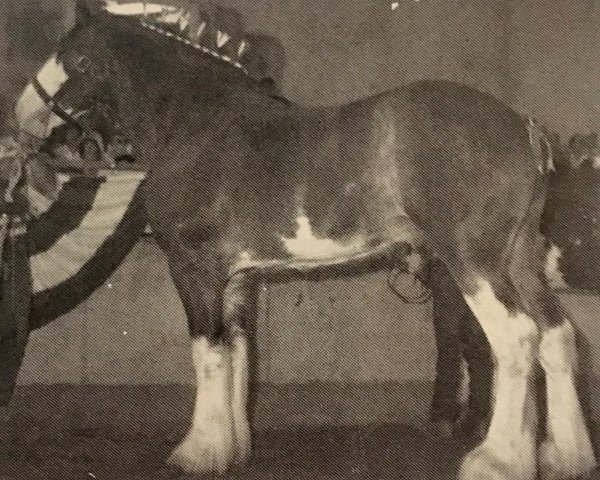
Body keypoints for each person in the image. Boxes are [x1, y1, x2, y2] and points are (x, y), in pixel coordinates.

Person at [388, 256, 493, 440]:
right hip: (476, 275)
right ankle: (477, 419)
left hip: (449, 275)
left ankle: (444, 418)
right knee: (478, 352)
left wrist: (419, 262)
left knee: (449, 352)